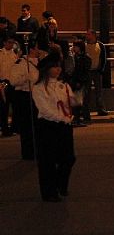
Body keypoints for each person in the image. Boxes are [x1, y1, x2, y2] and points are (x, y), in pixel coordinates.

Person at [32, 53, 77, 202]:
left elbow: (71, 102)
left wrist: (74, 103)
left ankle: (60, 184)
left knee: (68, 158)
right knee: (48, 160)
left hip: (64, 125)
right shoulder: (38, 87)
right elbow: (44, 110)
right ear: (46, 68)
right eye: (54, 66)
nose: (58, 69)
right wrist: (62, 117)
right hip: (47, 126)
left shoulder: (62, 85)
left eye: (59, 66)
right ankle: (49, 192)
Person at [9, 40, 39, 159]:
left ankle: (37, 150)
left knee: (37, 125)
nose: (39, 50)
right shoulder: (21, 63)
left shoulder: (41, 61)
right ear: (31, 49)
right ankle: (28, 152)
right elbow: (13, 81)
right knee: (27, 126)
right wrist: (27, 77)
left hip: (38, 96)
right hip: (25, 96)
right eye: (37, 48)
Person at [83, 29, 108, 120]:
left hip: (96, 71)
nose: (87, 36)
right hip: (88, 71)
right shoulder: (84, 45)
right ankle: (85, 110)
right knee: (86, 92)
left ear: (93, 35)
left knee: (99, 91)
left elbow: (103, 58)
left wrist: (101, 70)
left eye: (88, 34)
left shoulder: (100, 45)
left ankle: (101, 109)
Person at [70, 39, 92, 126]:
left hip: (81, 82)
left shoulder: (85, 58)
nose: (74, 48)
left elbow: (85, 71)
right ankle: (76, 118)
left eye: (75, 46)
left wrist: (80, 81)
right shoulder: (74, 57)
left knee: (80, 101)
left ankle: (80, 118)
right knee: (75, 100)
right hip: (75, 81)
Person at [0, 37, 18, 136]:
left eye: (12, 42)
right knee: (4, 107)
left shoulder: (14, 55)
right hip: (3, 82)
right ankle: (4, 128)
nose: (11, 44)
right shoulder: (0, 54)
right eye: (9, 42)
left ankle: (14, 128)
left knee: (15, 106)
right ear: (4, 42)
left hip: (13, 83)